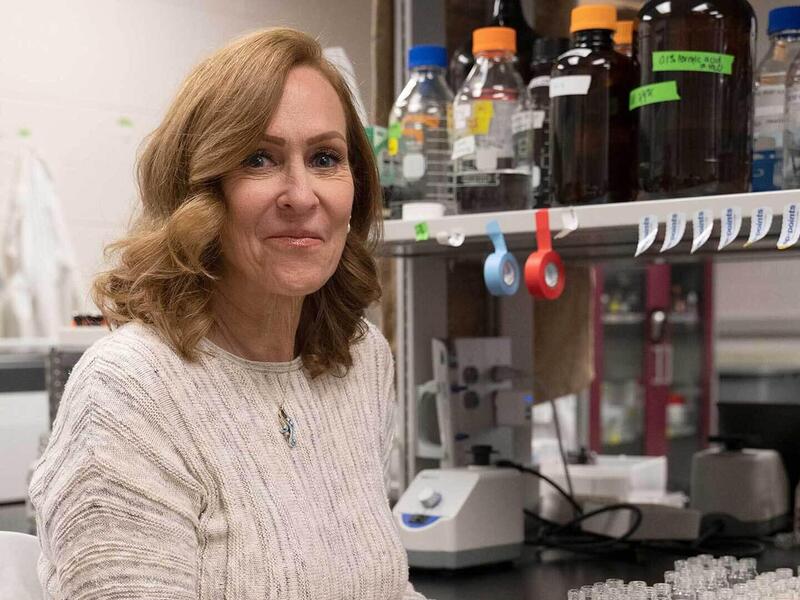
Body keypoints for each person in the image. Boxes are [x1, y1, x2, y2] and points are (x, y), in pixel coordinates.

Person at [29, 27, 427, 600]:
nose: (301, 194)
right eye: (259, 159)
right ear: (200, 194)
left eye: (325, 158)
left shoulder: (359, 361)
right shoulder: (130, 392)